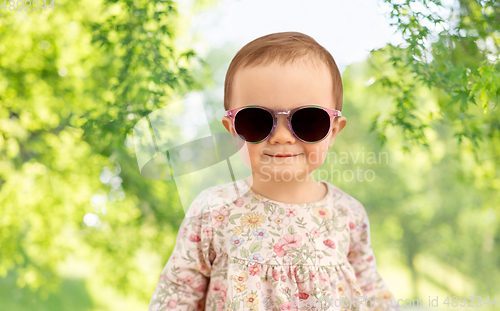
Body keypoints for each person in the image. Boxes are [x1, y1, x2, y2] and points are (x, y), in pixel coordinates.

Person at [148, 32, 401, 311]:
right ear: (233, 131)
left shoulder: (348, 215)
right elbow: (176, 297)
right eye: (256, 120)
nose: (282, 136)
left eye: (308, 121)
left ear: (333, 132)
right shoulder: (212, 211)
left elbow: (371, 291)